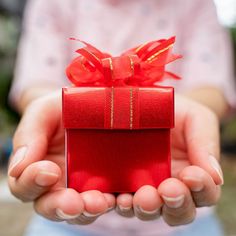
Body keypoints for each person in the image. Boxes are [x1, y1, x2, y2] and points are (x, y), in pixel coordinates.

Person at [8, 0, 236, 235]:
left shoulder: (195, 4)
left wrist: (190, 114)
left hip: (184, 221)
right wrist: (49, 110)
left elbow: (212, 85)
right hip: (65, 218)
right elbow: (36, 82)